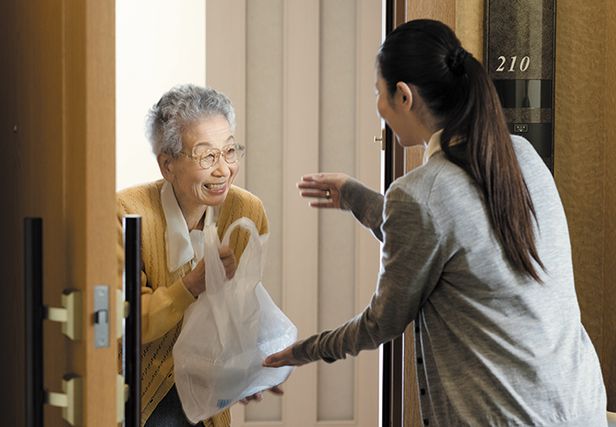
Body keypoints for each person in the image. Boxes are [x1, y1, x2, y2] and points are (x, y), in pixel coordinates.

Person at [264, 19, 608, 426]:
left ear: (404, 96)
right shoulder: (520, 155)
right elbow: (452, 233)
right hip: (577, 405)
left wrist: (304, 350)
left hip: (506, 414)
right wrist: (356, 197)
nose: (378, 108)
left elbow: (380, 323)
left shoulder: (420, 194)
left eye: (379, 93)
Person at [117, 84, 279, 427]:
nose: (223, 170)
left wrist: (247, 369)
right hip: (141, 398)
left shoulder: (247, 212)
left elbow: (239, 314)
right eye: (207, 156)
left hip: (208, 398)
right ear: (167, 165)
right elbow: (126, 325)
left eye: (230, 151)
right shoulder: (125, 212)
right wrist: (190, 285)